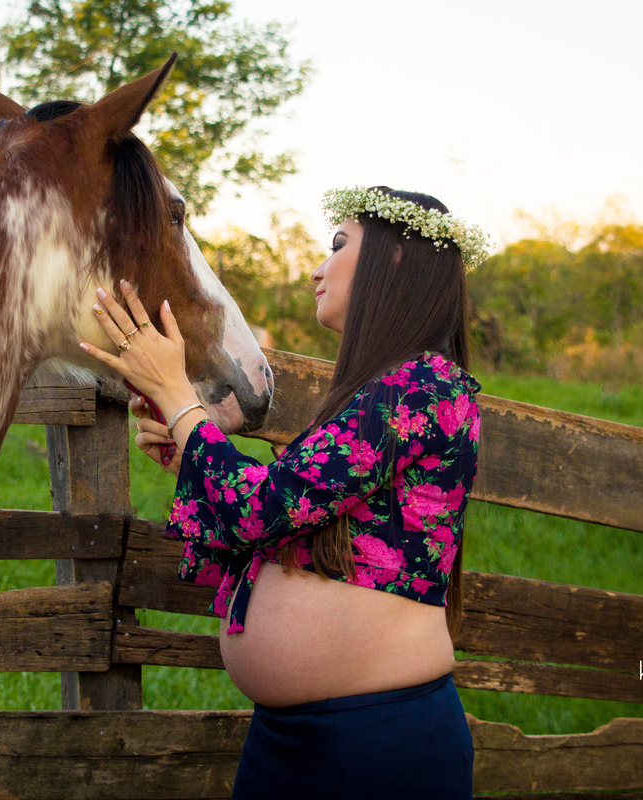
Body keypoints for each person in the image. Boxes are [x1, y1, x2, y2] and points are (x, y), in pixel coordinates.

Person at [78, 186, 490, 799]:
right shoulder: (376, 393)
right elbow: (286, 524)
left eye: (339, 244)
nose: (319, 268)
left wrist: (179, 398)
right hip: (293, 741)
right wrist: (191, 455)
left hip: (375, 740)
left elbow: (263, 511)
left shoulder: (424, 387)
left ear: (395, 260)